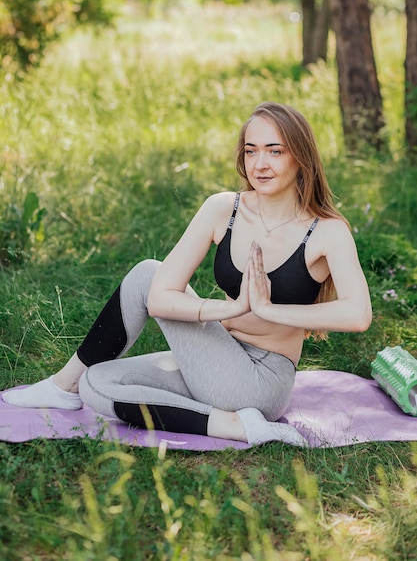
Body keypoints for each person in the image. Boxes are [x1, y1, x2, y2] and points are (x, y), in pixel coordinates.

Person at [2, 102, 372, 447]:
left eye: (275, 151)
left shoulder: (325, 230)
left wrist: (267, 310)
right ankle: (235, 426)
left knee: (148, 273)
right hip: (213, 358)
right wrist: (228, 310)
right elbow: (160, 297)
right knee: (97, 384)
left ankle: (61, 386)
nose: (260, 163)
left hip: (260, 382)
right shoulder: (224, 209)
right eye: (251, 150)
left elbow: (358, 314)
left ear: (300, 157)